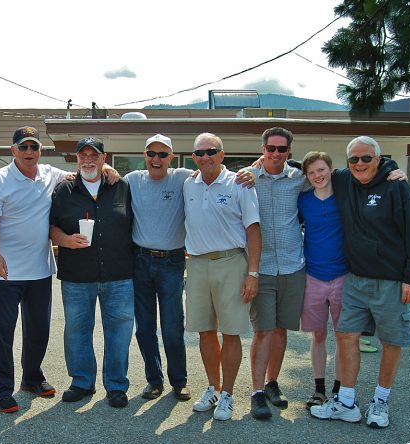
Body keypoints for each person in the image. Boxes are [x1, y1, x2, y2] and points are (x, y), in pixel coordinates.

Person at [0, 126, 119, 413]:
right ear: (13, 151)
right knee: (2, 333)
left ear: (40, 151)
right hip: (4, 272)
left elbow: (85, 170)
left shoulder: (50, 175)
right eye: (23, 147)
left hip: (40, 270)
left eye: (34, 147)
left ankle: (32, 377)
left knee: (38, 330)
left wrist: (108, 169)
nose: (29, 152)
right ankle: (2, 390)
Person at [310, 136, 410, 428]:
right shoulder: (343, 180)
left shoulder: (397, 186)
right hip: (356, 280)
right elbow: (314, 169)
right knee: (346, 335)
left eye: (366, 158)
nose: (360, 164)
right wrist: (259, 164)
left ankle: (381, 401)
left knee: (391, 341)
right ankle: (347, 401)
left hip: (392, 281)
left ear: (378, 159)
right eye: (354, 159)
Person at [50, 137, 134, 408]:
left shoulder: (121, 186)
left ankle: (117, 385)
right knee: (77, 330)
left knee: (119, 331)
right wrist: (63, 240)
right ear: (76, 159)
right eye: (82, 155)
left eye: (94, 155)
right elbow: (50, 226)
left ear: (103, 158)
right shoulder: (64, 190)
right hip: (77, 275)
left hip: (118, 274)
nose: (88, 160)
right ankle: (82, 382)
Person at [183, 133, 261, 421]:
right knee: (205, 330)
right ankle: (212, 388)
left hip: (231, 262)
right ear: (194, 157)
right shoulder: (188, 183)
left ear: (222, 154)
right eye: (200, 153)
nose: (206, 157)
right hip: (198, 264)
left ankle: (228, 394)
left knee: (230, 331)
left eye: (211, 151)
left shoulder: (240, 183)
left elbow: (253, 230)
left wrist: (253, 273)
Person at [246, 127, 307, 420]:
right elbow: (210, 176)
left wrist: (390, 168)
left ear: (289, 153)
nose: (275, 154)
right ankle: (256, 391)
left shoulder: (299, 180)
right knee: (263, 330)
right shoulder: (247, 177)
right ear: (263, 149)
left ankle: (272, 383)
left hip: (293, 266)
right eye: (271, 148)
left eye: (282, 149)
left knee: (281, 329)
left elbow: (334, 175)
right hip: (262, 267)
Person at [125, 134, 192, 402]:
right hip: (139, 261)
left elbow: (216, 170)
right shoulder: (132, 180)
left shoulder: (183, 177)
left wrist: (254, 168)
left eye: (162, 155)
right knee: (144, 327)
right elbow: (104, 176)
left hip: (172, 261)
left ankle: (179, 381)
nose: (156, 159)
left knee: (172, 326)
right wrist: (104, 167)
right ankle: (154, 381)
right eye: (151, 154)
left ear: (171, 158)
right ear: (145, 155)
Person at [297, 151, 346, 408]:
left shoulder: (346, 196)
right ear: (307, 176)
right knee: (318, 335)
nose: (318, 175)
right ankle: (319, 389)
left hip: (343, 275)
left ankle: (339, 389)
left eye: (322, 170)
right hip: (313, 275)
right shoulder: (303, 200)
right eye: (312, 172)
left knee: (343, 336)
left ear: (330, 169)